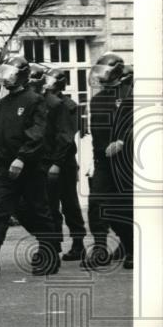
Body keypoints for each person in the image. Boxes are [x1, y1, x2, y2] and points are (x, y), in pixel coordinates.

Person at [0, 55, 60, 277]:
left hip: (29, 167)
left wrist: (22, 157)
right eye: (5, 74)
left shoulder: (35, 100)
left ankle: (49, 255)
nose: (6, 79)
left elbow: (36, 133)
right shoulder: (2, 104)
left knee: (39, 210)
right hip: (4, 168)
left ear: (22, 76)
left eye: (11, 74)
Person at [83, 52, 133, 270]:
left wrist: (123, 141)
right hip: (104, 161)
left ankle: (131, 248)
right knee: (96, 203)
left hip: (127, 161)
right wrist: (95, 159)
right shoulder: (97, 100)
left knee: (123, 208)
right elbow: (96, 132)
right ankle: (100, 248)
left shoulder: (132, 94)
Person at [21, 62, 68, 261]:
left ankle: (50, 247)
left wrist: (57, 162)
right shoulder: (26, 102)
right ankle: (48, 242)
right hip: (30, 160)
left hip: (48, 161)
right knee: (25, 207)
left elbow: (63, 135)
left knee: (48, 207)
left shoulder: (54, 104)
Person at [43, 67, 87, 261]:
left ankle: (78, 243)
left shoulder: (68, 105)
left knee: (69, 203)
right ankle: (54, 243)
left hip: (64, 161)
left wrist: (57, 161)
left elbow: (67, 138)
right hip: (47, 160)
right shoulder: (44, 103)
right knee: (50, 204)